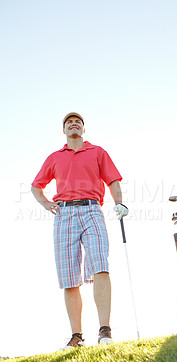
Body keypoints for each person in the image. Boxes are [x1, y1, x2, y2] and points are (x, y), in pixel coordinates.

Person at [31, 112, 128, 348]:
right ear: (63, 130)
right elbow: (36, 186)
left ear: (83, 129)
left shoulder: (97, 152)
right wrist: (46, 203)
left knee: (100, 265)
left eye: (78, 122)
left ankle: (105, 331)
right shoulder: (55, 157)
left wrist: (119, 203)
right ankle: (77, 336)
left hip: (92, 209)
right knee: (69, 277)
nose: (74, 124)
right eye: (69, 123)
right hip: (63, 214)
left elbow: (113, 180)